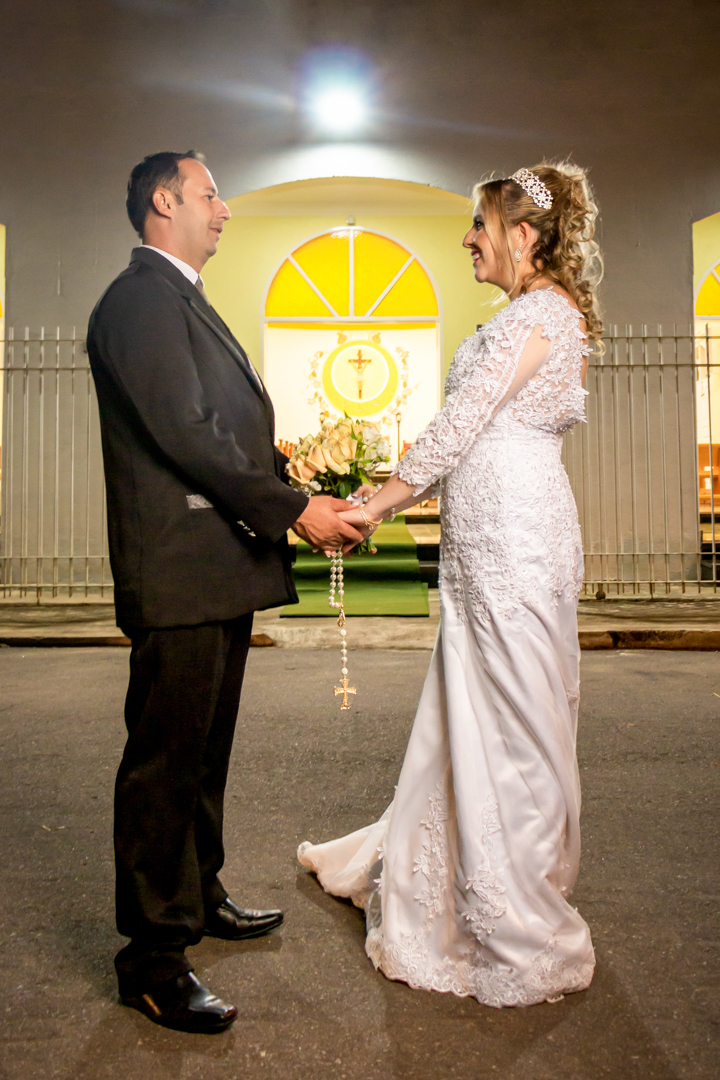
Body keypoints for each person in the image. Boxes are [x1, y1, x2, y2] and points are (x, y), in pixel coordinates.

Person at [298, 162, 603, 1008]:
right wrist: (387, 498)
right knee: (485, 710)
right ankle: (456, 873)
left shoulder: (538, 315)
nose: (467, 237)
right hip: (495, 537)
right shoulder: (531, 316)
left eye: (479, 224)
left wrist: (371, 505)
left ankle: (510, 911)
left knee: (515, 722)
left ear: (523, 235)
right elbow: (465, 439)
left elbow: (457, 430)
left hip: (513, 542)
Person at [87, 150, 361, 1033]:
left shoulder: (179, 299)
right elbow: (186, 432)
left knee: (204, 754)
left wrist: (285, 470)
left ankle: (197, 897)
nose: (226, 210)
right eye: (211, 194)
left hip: (214, 567)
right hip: (179, 569)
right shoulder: (138, 300)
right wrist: (292, 510)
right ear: (165, 202)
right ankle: (152, 958)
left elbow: (220, 425)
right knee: (165, 763)